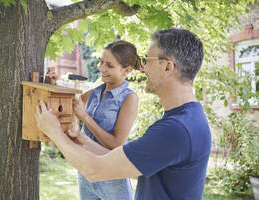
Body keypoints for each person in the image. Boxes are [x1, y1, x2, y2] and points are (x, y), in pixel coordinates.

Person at [35, 28, 211, 200]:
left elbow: (94, 170)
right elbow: (132, 163)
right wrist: (84, 140)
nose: (142, 68)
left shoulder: (175, 130)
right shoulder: (189, 119)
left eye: (146, 61)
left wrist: (54, 133)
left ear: (167, 67)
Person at [72, 40, 140, 200]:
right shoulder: (94, 93)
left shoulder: (129, 98)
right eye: (102, 62)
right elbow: (67, 106)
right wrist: (51, 84)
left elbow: (117, 144)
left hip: (112, 177)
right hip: (86, 170)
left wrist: (85, 118)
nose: (102, 68)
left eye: (110, 65)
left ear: (127, 70)